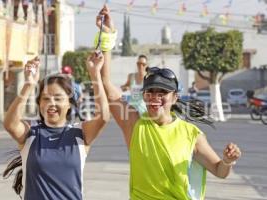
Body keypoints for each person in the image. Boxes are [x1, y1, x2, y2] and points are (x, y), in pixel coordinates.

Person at [96, 5, 241, 200]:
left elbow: (219, 170)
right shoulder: (135, 125)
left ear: (174, 97)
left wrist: (227, 161)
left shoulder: (191, 135)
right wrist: (107, 35)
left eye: (162, 92)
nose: (155, 97)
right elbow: (106, 83)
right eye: (150, 92)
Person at [2, 54, 109, 199]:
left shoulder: (80, 134)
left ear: (69, 103)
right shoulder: (31, 133)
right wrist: (29, 84)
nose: (51, 103)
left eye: (58, 98)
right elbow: (10, 124)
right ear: (39, 104)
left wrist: (95, 74)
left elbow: (103, 117)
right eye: (45, 98)